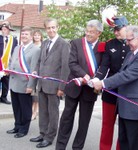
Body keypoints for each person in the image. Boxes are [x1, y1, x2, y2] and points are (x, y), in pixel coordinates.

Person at [93, 25, 138, 150]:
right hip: (126, 108)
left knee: (133, 145)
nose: (127, 43)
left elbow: (126, 76)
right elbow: (120, 73)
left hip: (136, 109)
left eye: (129, 40)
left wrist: (103, 83)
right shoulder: (131, 54)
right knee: (124, 143)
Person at [55, 19, 104, 150]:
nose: (87, 34)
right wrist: (84, 75)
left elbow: (104, 67)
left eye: (91, 32)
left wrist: (95, 80)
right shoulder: (76, 43)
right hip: (74, 86)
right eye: (86, 31)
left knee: (84, 121)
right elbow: (72, 63)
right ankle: (60, 146)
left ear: (99, 33)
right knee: (66, 118)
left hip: (90, 90)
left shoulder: (102, 47)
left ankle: (78, 147)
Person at [30, 18, 70, 148]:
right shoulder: (45, 43)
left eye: (53, 27)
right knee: (43, 112)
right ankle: (42, 133)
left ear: (57, 27)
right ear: (45, 29)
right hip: (41, 84)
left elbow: (65, 67)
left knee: (53, 113)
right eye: (48, 28)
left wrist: (62, 87)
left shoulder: (64, 44)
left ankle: (49, 137)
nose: (51, 30)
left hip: (55, 87)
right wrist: (36, 70)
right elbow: (40, 61)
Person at [91, 16, 130, 150]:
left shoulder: (133, 43)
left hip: (127, 90)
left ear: (126, 27)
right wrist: (97, 79)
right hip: (111, 89)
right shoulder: (110, 44)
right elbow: (104, 66)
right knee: (107, 124)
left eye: (118, 29)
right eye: (114, 30)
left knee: (124, 125)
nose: (116, 32)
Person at [6, 26, 40, 138]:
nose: (24, 36)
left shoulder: (35, 50)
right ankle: (17, 126)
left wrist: (31, 86)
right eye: (23, 34)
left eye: (26, 34)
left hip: (25, 84)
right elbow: (12, 61)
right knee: (16, 107)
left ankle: (24, 129)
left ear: (31, 36)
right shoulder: (17, 48)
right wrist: (8, 70)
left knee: (25, 108)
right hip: (14, 82)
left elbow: (34, 69)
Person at [0, 21, 18, 104]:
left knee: (6, 82)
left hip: (8, 64)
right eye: (2, 29)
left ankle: (3, 97)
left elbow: (15, 52)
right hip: (0, 63)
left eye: (6, 29)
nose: (4, 31)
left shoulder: (13, 40)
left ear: (9, 30)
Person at [31, 29, 43, 120]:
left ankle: (35, 112)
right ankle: (31, 110)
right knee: (31, 94)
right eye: (35, 35)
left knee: (36, 95)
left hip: (39, 72)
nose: (37, 37)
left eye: (38, 35)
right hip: (31, 71)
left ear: (41, 37)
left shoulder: (43, 46)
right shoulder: (31, 46)